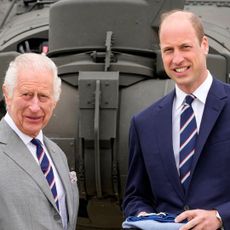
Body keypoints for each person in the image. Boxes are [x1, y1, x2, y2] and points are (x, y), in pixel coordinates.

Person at [123, 9, 230, 230]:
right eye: (168, 50)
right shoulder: (144, 123)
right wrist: (143, 216)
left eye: (185, 47)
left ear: (204, 45)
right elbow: (135, 196)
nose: (177, 59)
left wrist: (220, 217)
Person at [0, 53, 79, 230]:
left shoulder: (57, 155)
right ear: (7, 94)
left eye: (43, 96)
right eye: (27, 94)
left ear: (55, 101)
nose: (35, 107)